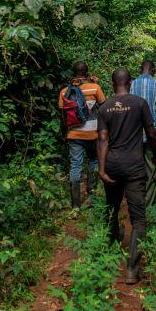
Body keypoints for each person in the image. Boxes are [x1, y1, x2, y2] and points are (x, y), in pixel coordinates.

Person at [97, 67, 156, 284]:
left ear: (112, 83)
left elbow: (103, 139)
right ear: (130, 82)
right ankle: (132, 269)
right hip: (134, 167)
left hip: (113, 166)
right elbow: (151, 133)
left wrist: (102, 169)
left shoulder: (104, 108)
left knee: (111, 208)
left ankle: (112, 240)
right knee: (139, 219)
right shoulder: (139, 103)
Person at [58, 61, 106, 208]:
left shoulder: (65, 92)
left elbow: (62, 115)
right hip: (93, 134)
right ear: (87, 72)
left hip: (74, 134)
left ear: (73, 73)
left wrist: (63, 134)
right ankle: (91, 198)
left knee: (75, 166)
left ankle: (76, 204)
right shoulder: (95, 88)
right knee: (93, 161)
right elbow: (103, 107)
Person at [130, 59, 156, 205]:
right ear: (153, 70)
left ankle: (135, 201)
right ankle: (146, 204)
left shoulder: (130, 84)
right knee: (152, 168)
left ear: (140, 70)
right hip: (153, 135)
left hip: (132, 135)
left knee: (134, 168)